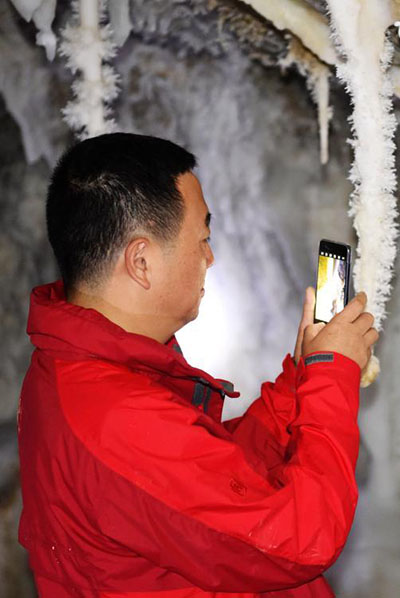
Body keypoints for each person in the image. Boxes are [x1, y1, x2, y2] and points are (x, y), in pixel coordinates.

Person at [17, 132, 379, 597]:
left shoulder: (85, 371)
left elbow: (213, 485)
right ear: (142, 261)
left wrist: (303, 378)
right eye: (203, 238)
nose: (209, 257)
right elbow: (297, 542)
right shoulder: (114, 416)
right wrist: (332, 374)